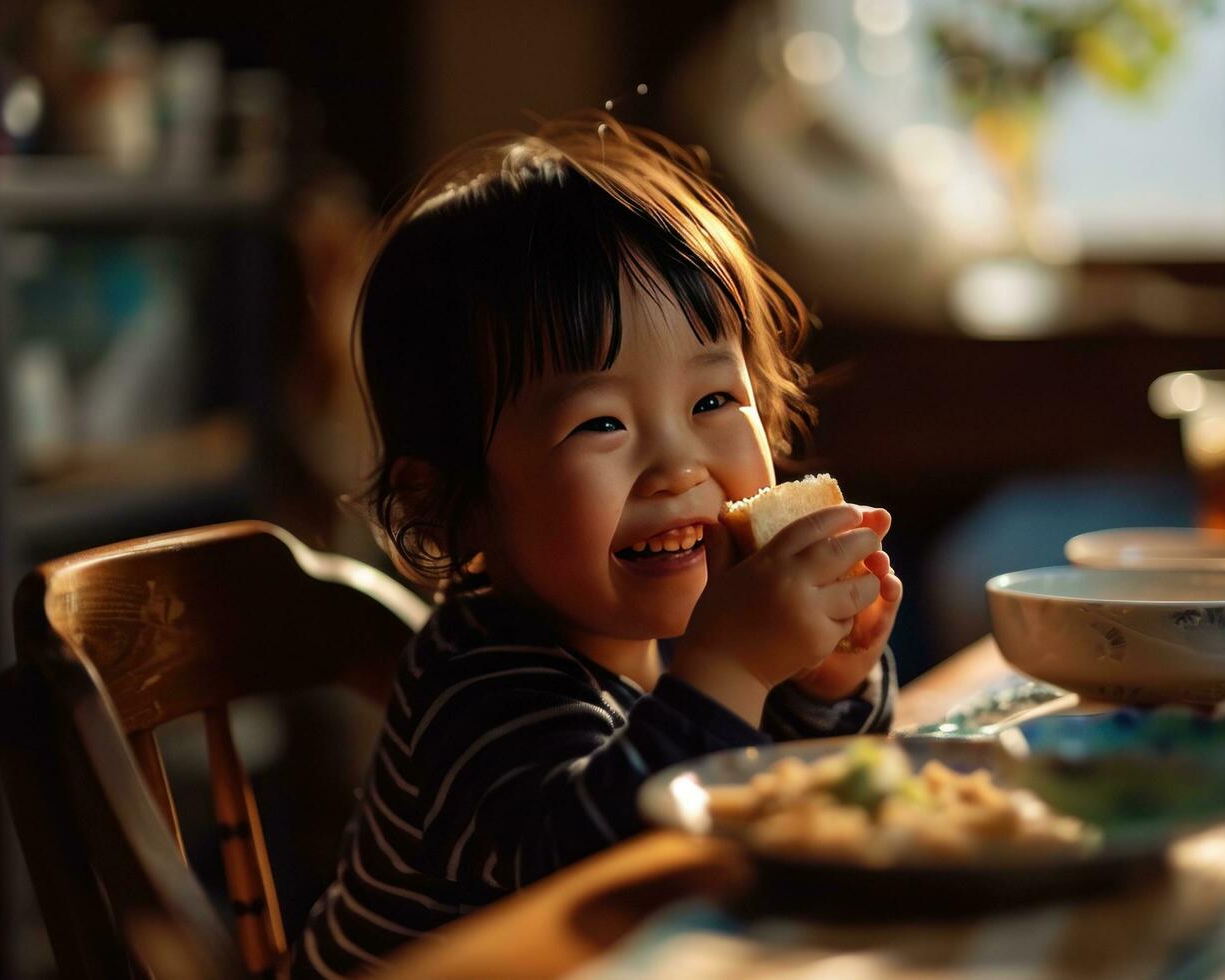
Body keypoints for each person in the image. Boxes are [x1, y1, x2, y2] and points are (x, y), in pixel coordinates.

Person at [292, 113, 903, 977]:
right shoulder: (480, 685)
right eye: (601, 422)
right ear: (456, 506)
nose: (678, 466)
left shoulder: (655, 651)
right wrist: (731, 669)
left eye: (713, 403)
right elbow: (605, 881)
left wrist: (823, 685)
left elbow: (782, 809)